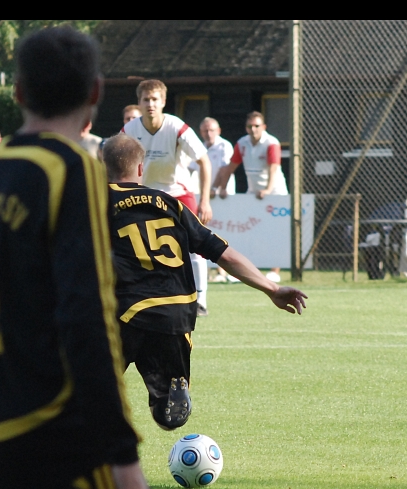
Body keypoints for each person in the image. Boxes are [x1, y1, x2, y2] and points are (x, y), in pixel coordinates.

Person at [0, 26, 151, 489]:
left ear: (17, 93)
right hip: (58, 453)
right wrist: (121, 452)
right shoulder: (72, 168)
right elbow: (87, 315)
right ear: (95, 93)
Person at [103, 132, 307, 430]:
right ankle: (167, 396)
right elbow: (224, 254)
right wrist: (272, 288)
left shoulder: (94, 204)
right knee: (168, 416)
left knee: (84, 394)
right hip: (177, 313)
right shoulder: (171, 204)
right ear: (140, 168)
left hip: (126, 312)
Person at [122, 79, 214, 316]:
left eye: (155, 100)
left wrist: (205, 201)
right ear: (139, 103)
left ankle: (201, 300)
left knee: (196, 246)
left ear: (163, 102)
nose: (150, 104)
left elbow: (204, 160)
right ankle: (145, 296)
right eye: (146, 100)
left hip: (178, 194)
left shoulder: (177, 127)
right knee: (136, 247)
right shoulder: (129, 130)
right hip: (144, 196)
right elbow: (116, 163)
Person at [213, 111, 288, 282]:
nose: (253, 129)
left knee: (275, 231)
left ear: (263, 127)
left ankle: (274, 271)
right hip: (253, 193)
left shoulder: (271, 142)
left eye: (256, 126)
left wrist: (268, 190)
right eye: (249, 126)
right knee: (251, 231)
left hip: (275, 192)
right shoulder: (242, 143)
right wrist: (222, 188)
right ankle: (248, 270)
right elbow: (231, 166)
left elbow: (273, 168)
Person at [190, 117, 237, 283]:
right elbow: (191, 169)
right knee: (209, 232)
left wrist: (214, 188)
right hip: (206, 196)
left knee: (227, 231)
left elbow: (224, 169)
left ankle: (228, 271)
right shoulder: (200, 147)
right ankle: (217, 271)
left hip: (222, 195)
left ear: (218, 131)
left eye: (211, 130)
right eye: (205, 131)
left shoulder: (225, 145)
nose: (208, 134)